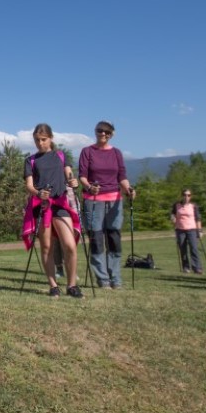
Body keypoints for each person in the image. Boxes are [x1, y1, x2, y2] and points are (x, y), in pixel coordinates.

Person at [22, 123, 83, 298]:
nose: (40, 143)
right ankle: (53, 285)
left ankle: (72, 285)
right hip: (42, 206)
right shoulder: (30, 160)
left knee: (70, 245)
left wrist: (74, 182)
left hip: (61, 203)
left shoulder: (61, 156)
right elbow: (29, 185)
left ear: (51, 138)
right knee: (46, 246)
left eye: (43, 139)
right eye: (37, 140)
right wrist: (38, 193)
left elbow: (70, 176)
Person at [76, 121, 135, 289]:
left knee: (114, 239)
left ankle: (115, 277)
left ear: (112, 134)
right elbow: (82, 175)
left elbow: (122, 176)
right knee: (96, 239)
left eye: (107, 132)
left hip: (115, 199)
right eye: (100, 131)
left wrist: (128, 189)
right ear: (95, 132)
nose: (103, 134)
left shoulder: (116, 153)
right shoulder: (87, 151)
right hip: (93, 200)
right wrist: (88, 187)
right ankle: (102, 279)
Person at [169, 189, 203, 274]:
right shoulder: (177, 205)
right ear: (182, 196)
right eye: (185, 195)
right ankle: (186, 267)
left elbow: (198, 218)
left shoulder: (193, 206)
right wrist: (173, 217)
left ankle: (197, 267)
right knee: (182, 249)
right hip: (180, 230)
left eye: (189, 195)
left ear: (191, 196)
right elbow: (173, 214)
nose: (186, 197)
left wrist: (200, 230)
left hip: (192, 229)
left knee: (194, 248)